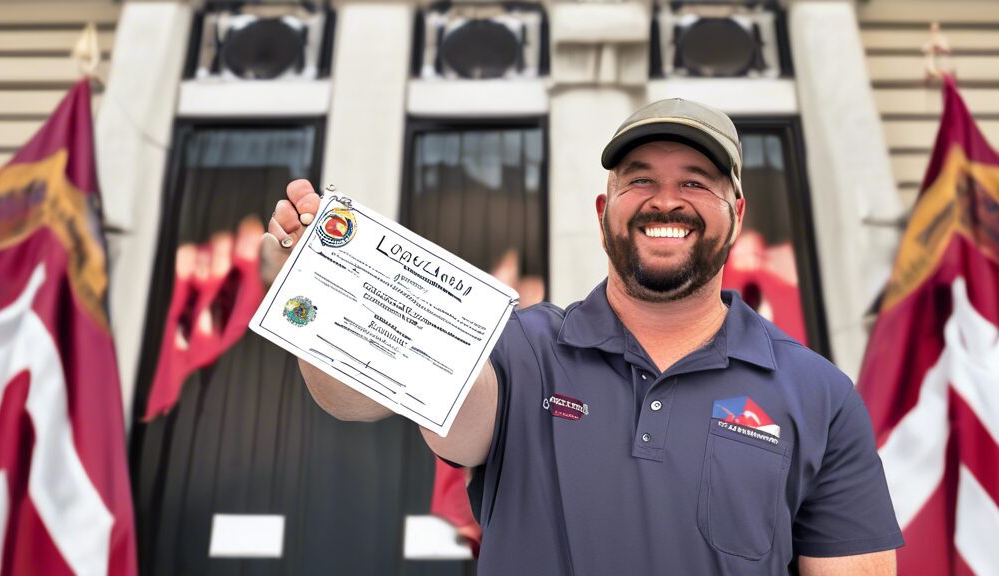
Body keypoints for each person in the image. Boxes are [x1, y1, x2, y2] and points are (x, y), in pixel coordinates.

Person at [262, 98, 904, 575]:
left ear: (736, 217)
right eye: (640, 179)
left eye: (695, 182)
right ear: (605, 213)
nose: (665, 200)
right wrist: (321, 288)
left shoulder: (819, 394)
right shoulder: (521, 346)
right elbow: (359, 397)